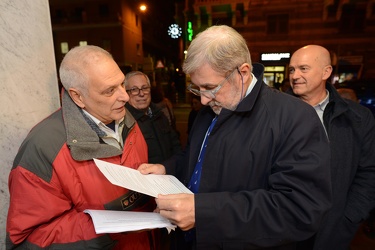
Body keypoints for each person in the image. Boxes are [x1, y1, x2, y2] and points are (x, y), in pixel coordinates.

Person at [138, 25, 332, 249]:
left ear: (243, 72)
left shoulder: (296, 118)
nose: (202, 100)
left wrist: (203, 213)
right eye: (197, 88)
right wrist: (167, 168)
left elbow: (299, 209)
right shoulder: (209, 109)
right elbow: (196, 159)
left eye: (210, 87)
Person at [6, 45, 160, 249]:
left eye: (122, 84)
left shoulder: (125, 118)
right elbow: (27, 240)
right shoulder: (43, 147)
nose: (124, 96)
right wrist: (110, 226)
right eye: (110, 90)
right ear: (78, 96)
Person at [288, 44, 375, 249]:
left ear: (326, 72)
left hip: (332, 231)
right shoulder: (273, 114)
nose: (295, 75)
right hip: (283, 229)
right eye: (291, 69)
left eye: (303, 68)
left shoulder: (358, 118)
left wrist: (349, 218)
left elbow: (369, 172)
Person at [124, 71, 182, 165]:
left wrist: (169, 168)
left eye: (145, 88)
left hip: (168, 175)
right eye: (134, 89)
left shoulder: (160, 116)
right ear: (126, 93)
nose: (141, 93)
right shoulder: (125, 123)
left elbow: (176, 147)